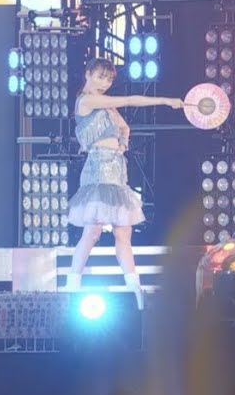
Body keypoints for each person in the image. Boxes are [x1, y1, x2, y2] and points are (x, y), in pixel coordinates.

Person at [65, 58, 184, 309]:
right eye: (100, 77)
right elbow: (130, 100)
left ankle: (135, 291)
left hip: (117, 169)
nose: (104, 83)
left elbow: (125, 127)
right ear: (88, 74)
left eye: (108, 79)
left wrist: (121, 145)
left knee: (123, 233)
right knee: (93, 231)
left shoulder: (107, 107)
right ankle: (71, 287)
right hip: (99, 170)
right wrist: (166, 101)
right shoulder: (86, 101)